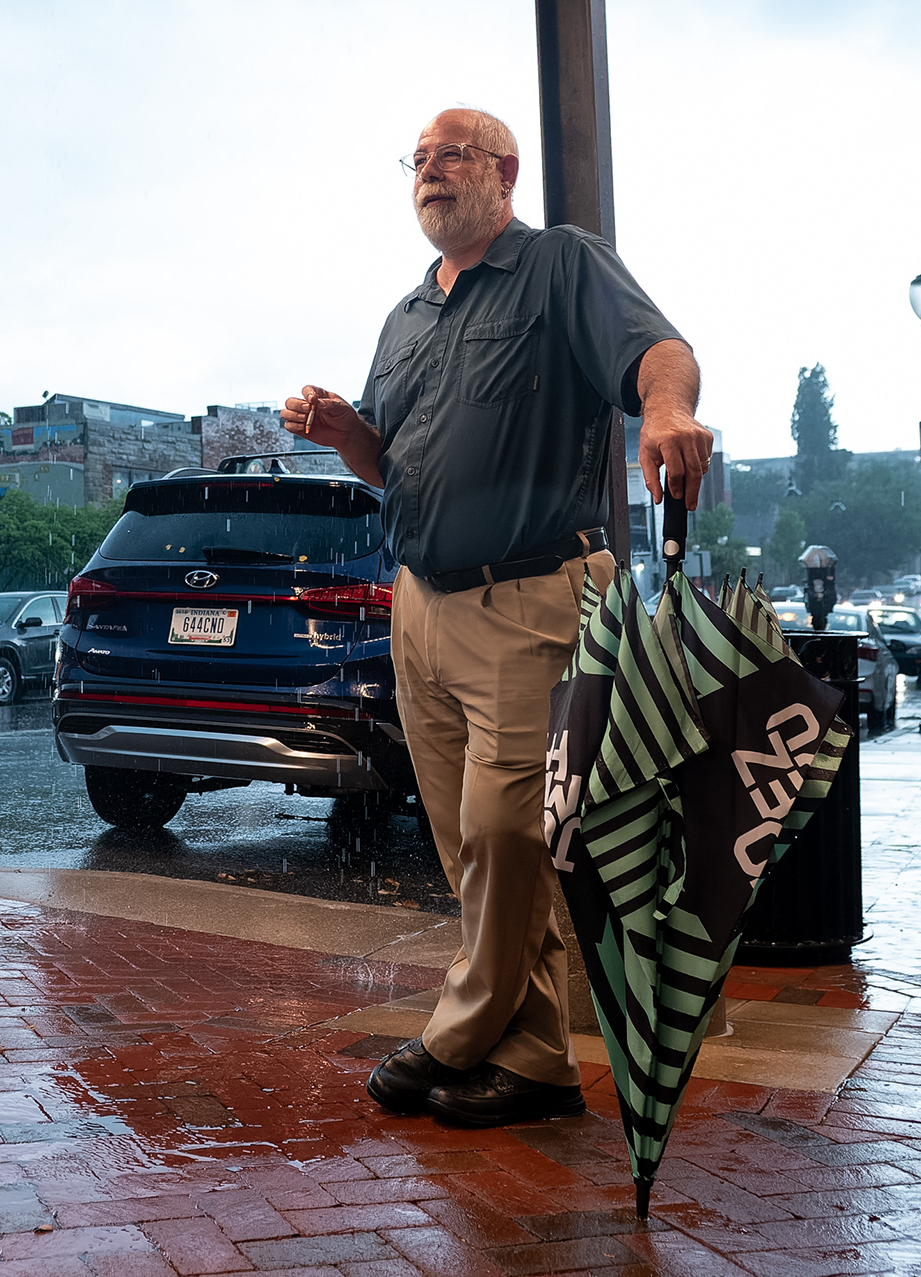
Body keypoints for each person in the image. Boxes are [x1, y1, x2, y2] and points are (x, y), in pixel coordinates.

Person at [283, 108, 712, 1127]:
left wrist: (663, 410)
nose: (430, 172)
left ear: (504, 172)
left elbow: (661, 351)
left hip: (534, 595)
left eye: (452, 155)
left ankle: (460, 1025)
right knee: (469, 844)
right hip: (420, 606)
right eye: (418, 161)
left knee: (509, 826)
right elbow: (395, 464)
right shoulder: (403, 319)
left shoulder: (559, 265)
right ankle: (533, 1062)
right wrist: (348, 431)